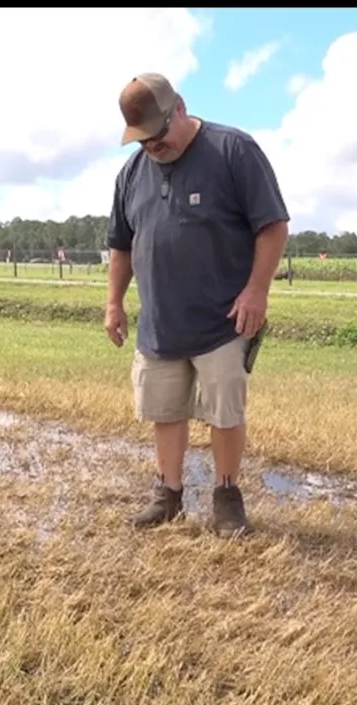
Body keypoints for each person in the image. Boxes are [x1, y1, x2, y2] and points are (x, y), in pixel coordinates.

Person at [103, 72, 290, 537]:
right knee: (164, 411)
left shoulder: (233, 151)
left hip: (224, 320)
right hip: (160, 324)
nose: (152, 148)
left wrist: (257, 291)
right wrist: (114, 303)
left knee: (225, 412)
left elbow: (273, 225)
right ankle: (168, 495)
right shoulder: (130, 174)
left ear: (180, 109)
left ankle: (227, 495)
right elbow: (121, 246)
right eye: (142, 141)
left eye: (158, 136)